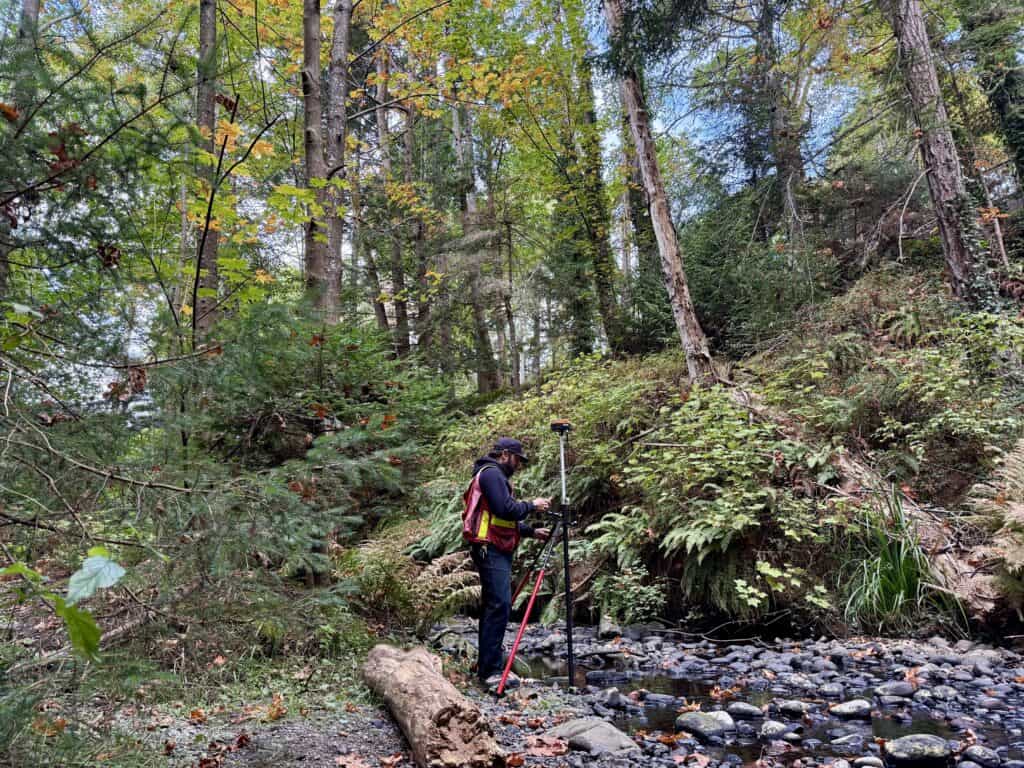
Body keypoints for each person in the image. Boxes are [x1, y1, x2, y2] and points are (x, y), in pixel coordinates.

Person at [462, 437, 550, 690]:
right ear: (504, 455)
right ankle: (490, 672)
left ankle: (489, 667)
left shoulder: (494, 476)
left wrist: (531, 532)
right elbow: (504, 509)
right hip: (489, 549)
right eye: (517, 460)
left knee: (497, 605)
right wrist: (531, 505)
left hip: (494, 546)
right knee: (498, 605)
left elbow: (499, 518)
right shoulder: (491, 474)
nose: (519, 465)